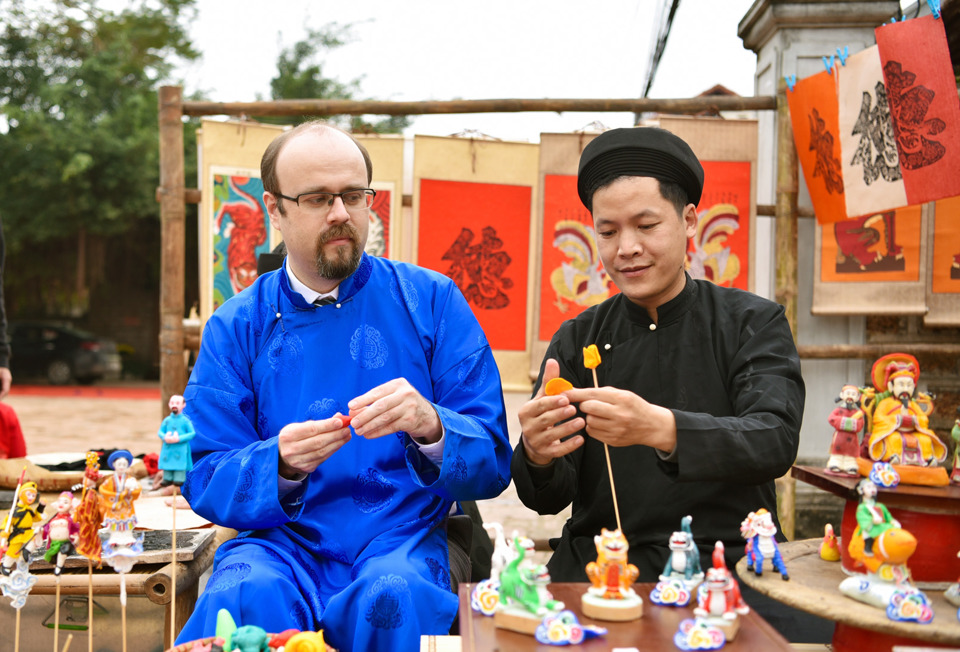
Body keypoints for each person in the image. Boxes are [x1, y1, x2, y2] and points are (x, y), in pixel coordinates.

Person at [177, 121, 511, 651]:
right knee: (244, 594)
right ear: (274, 208)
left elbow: (493, 458)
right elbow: (202, 471)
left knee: (393, 594)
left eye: (354, 196)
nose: (341, 213)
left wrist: (432, 425)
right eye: (317, 198)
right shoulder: (237, 326)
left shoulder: (432, 302)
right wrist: (278, 463)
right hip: (280, 543)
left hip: (404, 536)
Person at [511, 127, 823, 640]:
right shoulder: (577, 338)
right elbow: (547, 497)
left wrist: (662, 428)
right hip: (602, 568)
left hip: (725, 567)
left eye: (646, 225)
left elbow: (773, 440)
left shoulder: (752, 323)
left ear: (690, 220)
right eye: (608, 231)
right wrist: (539, 454)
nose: (626, 248)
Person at [866, 354, 947, 467]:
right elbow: (878, 418)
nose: (905, 389)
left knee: (925, 439)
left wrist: (914, 420)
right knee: (893, 438)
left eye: (909, 386)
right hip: (893, 431)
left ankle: (926, 460)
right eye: (901, 385)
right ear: (891, 387)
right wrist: (897, 419)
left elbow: (923, 419)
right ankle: (892, 458)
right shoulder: (886, 402)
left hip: (912, 432)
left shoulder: (912, 404)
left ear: (913, 387)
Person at [157, 394, 195, 487]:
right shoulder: (167, 420)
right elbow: (160, 432)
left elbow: (192, 433)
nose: (175, 405)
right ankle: (167, 478)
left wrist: (179, 438)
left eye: (177, 403)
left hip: (180, 448)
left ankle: (179, 478)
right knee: (167, 463)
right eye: (172, 403)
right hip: (168, 447)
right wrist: (165, 437)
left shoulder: (185, 421)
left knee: (179, 465)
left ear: (183, 405)